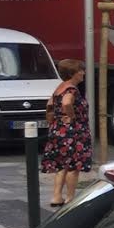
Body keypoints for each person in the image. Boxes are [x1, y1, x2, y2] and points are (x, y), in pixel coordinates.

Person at [41, 59, 92, 207]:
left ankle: (56, 197)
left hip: (58, 130)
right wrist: (72, 116)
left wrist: (53, 121)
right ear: (73, 73)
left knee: (61, 165)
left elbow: (49, 105)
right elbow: (67, 103)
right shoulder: (71, 90)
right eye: (80, 70)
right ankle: (70, 198)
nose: (83, 73)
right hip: (73, 132)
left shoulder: (59, 88)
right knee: (73, 167)